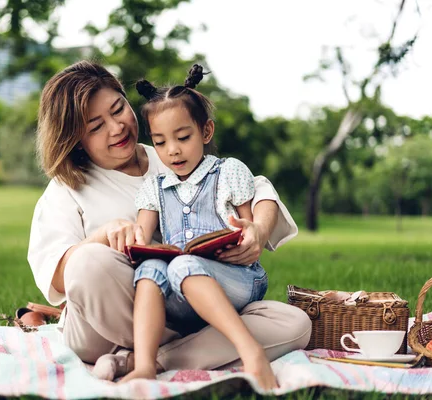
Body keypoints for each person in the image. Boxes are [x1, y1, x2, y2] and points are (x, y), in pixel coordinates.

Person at [26, 60, 311, 390]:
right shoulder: (67, 187)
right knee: (88, 262)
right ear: (76, 140)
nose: (116, 127)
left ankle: (144, 360)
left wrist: (258, 228)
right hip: (107, 322)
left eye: (118, 110)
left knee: (294, 323)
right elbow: (59, 272)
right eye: (96, 127)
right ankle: (198, 347)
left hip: (192, 307)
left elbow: (255, 186)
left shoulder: (170, 152)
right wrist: (102, 236)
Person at [108, 64, 277, 385]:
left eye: (183, 137)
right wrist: (138, 244)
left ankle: (252, 353)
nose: (172, 150)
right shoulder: (155, 187)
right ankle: (144, 365)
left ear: (206, 132)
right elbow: (143, 239)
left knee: (183, 264)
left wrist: (247, 233)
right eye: (159, 142)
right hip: (183, 284)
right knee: (151, 269)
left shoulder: (228, 172)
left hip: (237, 278)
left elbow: (249, 228)